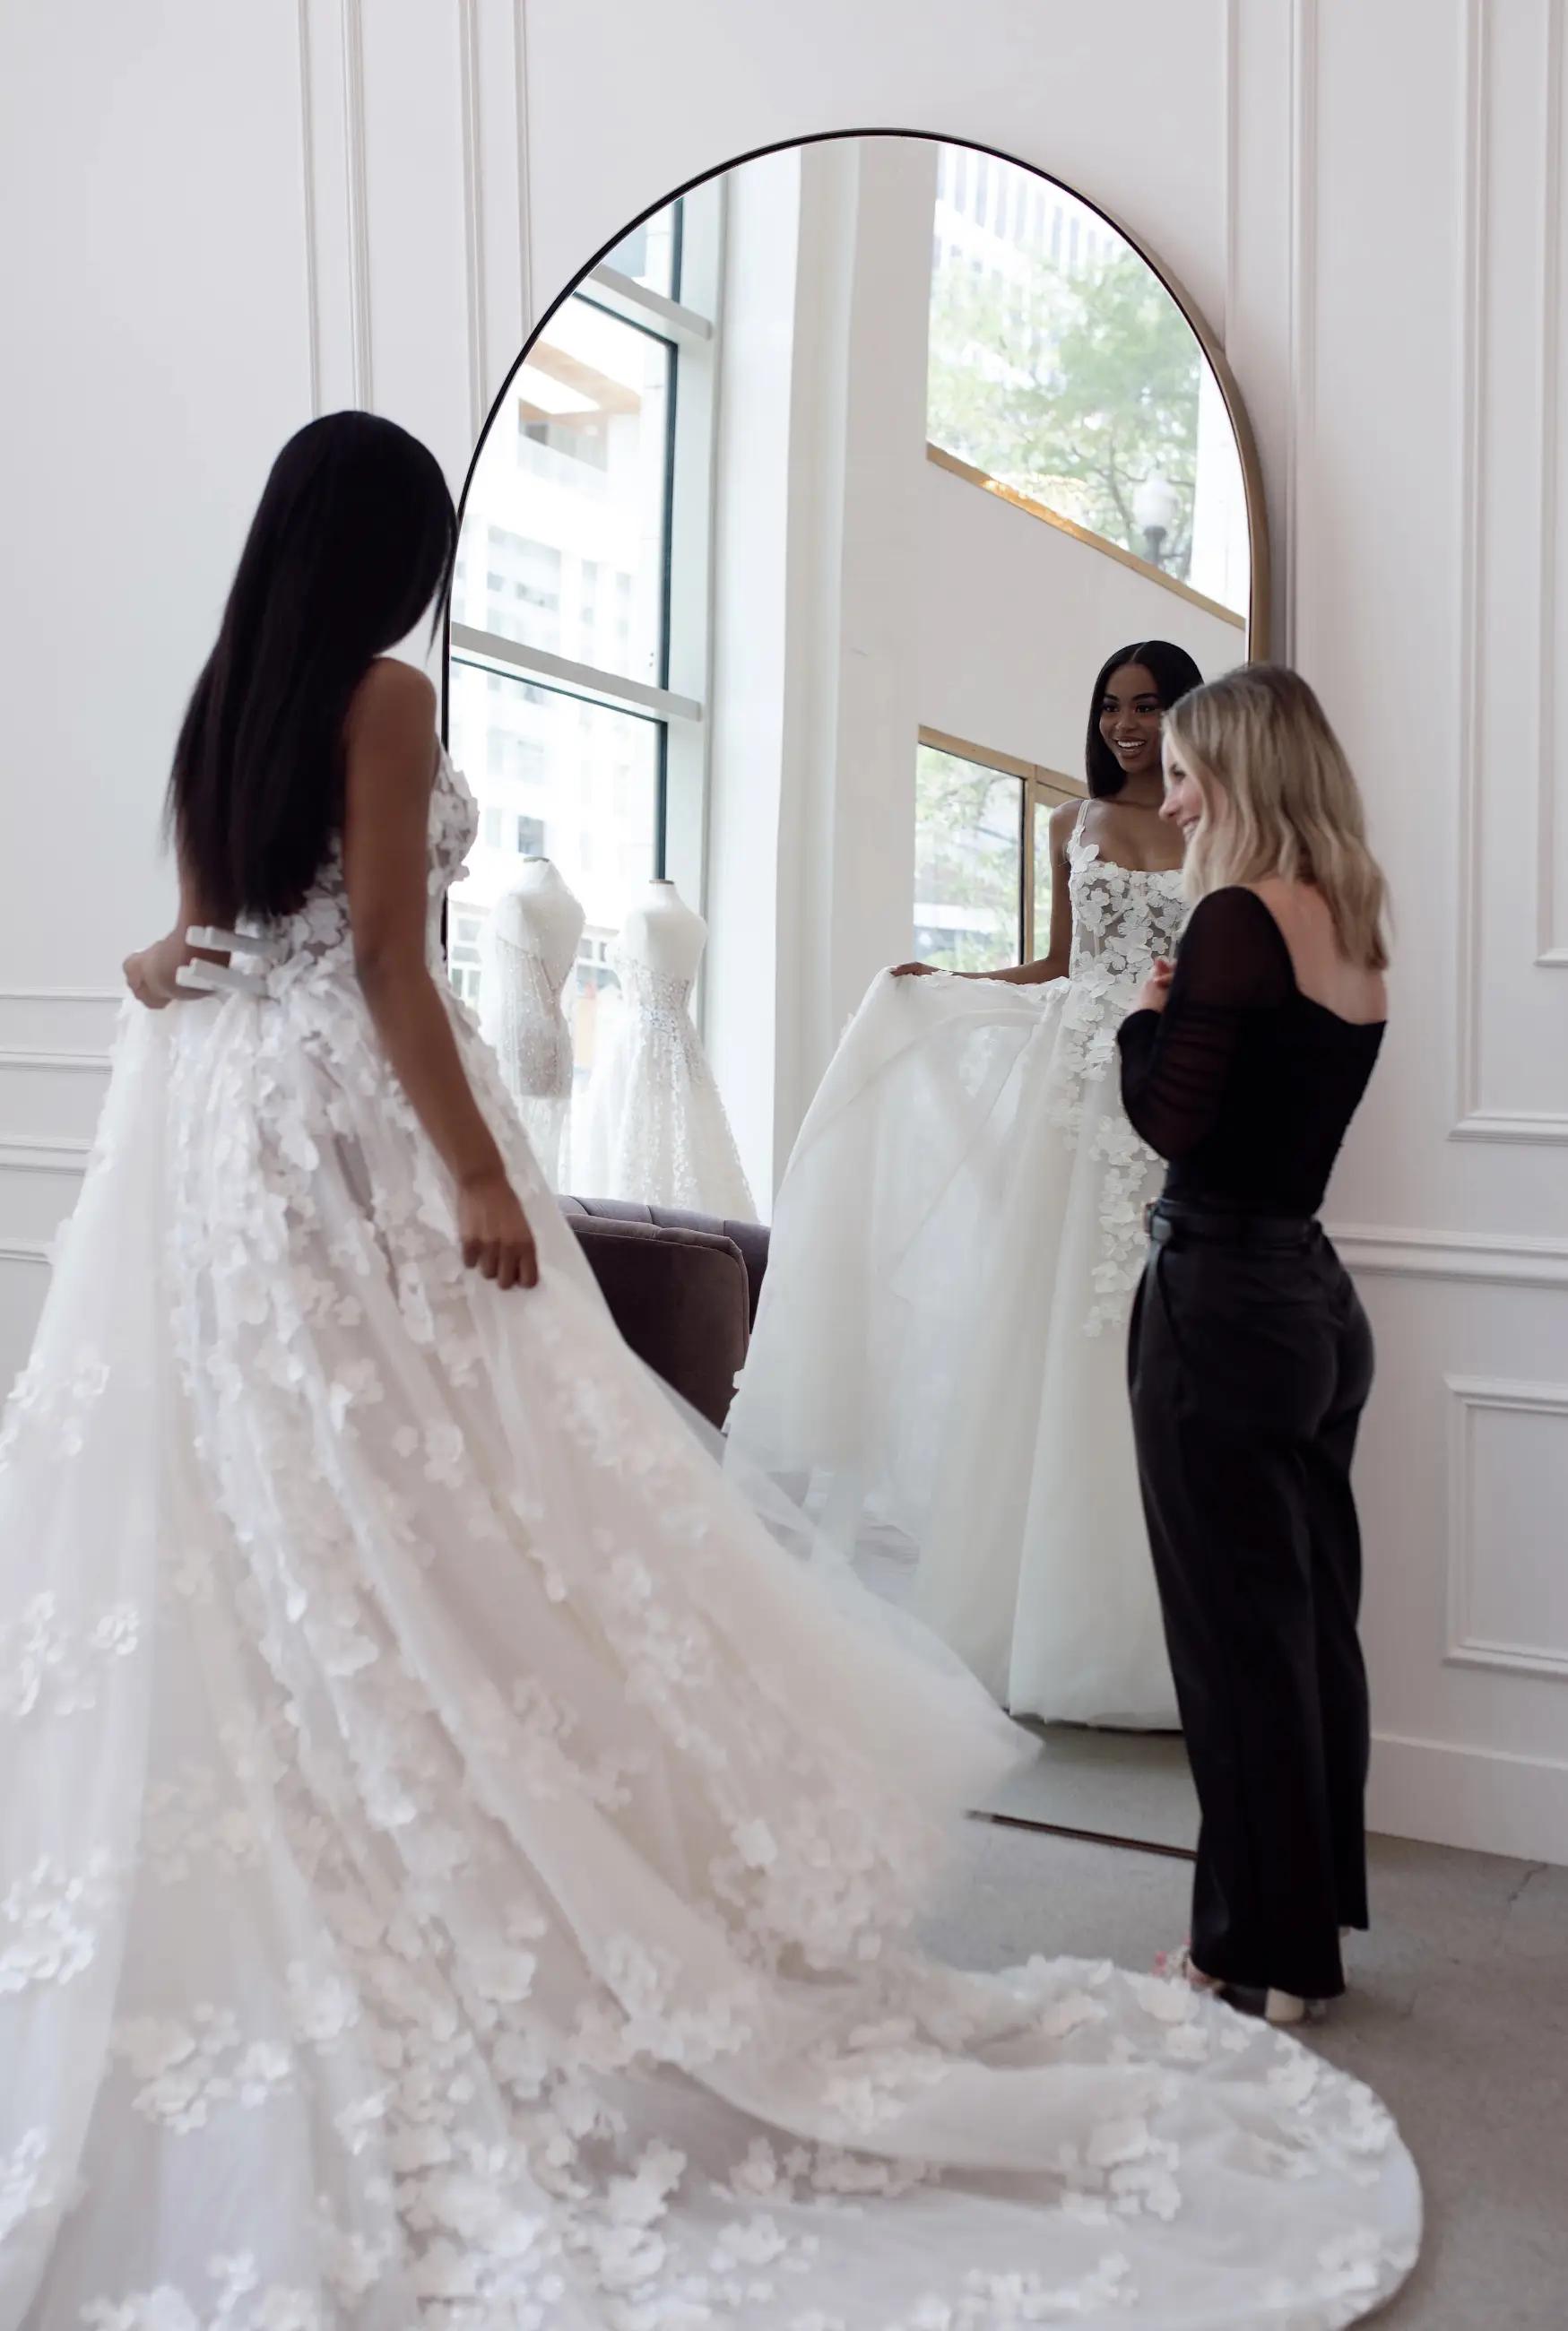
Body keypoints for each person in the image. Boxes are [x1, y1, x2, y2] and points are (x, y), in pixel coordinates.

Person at [0, 424, 1418, 2326]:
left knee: (290, 1520)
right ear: (387, 560)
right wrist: (488, 1173)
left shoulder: (220, 702)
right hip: (361, 1125)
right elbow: (401, 972)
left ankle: (351, 1873)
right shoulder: (382, 694)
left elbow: (203, 938)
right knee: (431, 1510)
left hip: (234, 1155)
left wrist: (176, 980)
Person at [729, 644, 1200, 1729]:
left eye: (1149, 705)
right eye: (1112, 707)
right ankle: (1050, 1616)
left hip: (1164, 1086)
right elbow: (1058, 963)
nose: (1127, 724)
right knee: (1058, 1334)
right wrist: (947, 983)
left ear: (1186, 714)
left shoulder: (1206, 823)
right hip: (1076, 1099)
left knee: (1150, 1329)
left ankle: (1165, 1619)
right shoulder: (1071, 825)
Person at [1119, 663, 1390, 2030]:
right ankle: (1303, 1936)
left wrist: (1143, 1020)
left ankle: (1247, 1959)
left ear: (1234, 771)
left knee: (1233, 1645)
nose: (1167, 805)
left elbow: (1172, 1123)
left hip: (1220, 1299)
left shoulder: (1236, 916)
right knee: (1302, 1631)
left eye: (1180, 775)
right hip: (1313, 1305)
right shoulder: (1352, 922)